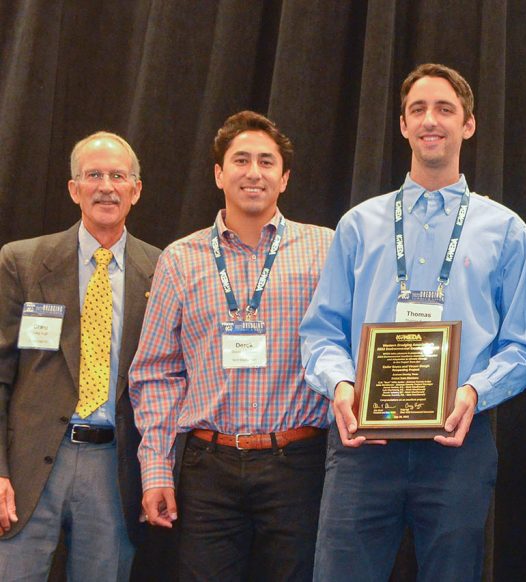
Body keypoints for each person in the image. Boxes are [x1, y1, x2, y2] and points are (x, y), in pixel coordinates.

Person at [299, 63, 526, 581]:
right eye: (418, 110)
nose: (431, 120)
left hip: (457, 443)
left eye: (445, 109)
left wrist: (474, 392)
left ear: (468, 125)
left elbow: (523, 345)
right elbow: (321, 332)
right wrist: (342, 387)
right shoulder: (358, 225)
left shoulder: (505, 230)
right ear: (403, 126)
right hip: (364, 444)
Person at [129, 111, 333, 581]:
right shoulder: (180, 259)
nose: (253, 172)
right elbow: (155, 373)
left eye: (267, 161)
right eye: (240, 160)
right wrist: (157, 470)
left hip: (299, 464)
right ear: (219, 174)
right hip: (208, 468)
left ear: (285, 178)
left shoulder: (327, 248)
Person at [0, 132, 160, 580]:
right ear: (74, 189)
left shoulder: (163, 269)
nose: (106, 186)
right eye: (93, 175)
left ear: (136, 189)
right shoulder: (23, 262)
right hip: (29, 468)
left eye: (117, 176)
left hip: (115, 468)